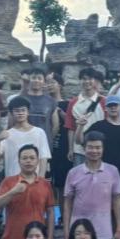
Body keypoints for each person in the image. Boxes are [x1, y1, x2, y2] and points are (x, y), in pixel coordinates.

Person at [62, 131, 120, 239]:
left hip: (103, 233)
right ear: (84, 149)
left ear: (103, 149)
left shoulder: (112, 171)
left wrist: (119, 228)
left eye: (98, 147)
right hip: (78, 234)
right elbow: (67, 204)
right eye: (90, 147)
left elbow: (117, 201)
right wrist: (66, 231)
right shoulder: (73, 173)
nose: (94, 151)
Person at [0, 145, 56, 239]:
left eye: (32, 158)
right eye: (25, 158)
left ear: (37, 161)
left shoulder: (45, 184)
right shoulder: (8, 182)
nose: (28, 161)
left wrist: (50, 237)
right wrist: (13, 192)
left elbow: (51, 212)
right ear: (19, 161)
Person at [88, 95, 120, 188]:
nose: (113, 108)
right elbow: (81, 140)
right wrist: (80, 126)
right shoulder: (98, 126)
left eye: (115, 105)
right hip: (102, 170)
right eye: (110, 106)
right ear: (105, 108)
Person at [0, 97, 52, 179]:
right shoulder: (7, 134)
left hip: (34, 180)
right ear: (11, 113)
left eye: (23, 110)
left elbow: (43, 157)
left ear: (28, 112)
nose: (20, 113)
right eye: (17, 111)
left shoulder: (39, 132)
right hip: (12, 180)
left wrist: (41, 178)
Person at [65, 67, 106, 165]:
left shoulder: (103, 101)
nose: (87, 81)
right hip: (79, 149)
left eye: (90, 78)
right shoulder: (73, 103)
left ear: (95, 81)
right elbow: (71, 128)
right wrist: (71, 149)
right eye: (84, 79)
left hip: (98, 149)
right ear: (80, 81)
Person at [46, 71, 73, 200]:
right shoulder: (44, 104)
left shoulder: (67, 104)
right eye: (47, 82)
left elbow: (72, 124)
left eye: (52, 82)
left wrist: (62, 114)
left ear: (60, 85)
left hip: (62, 147)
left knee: (62, 183)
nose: (49, 85)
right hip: (47, 145)